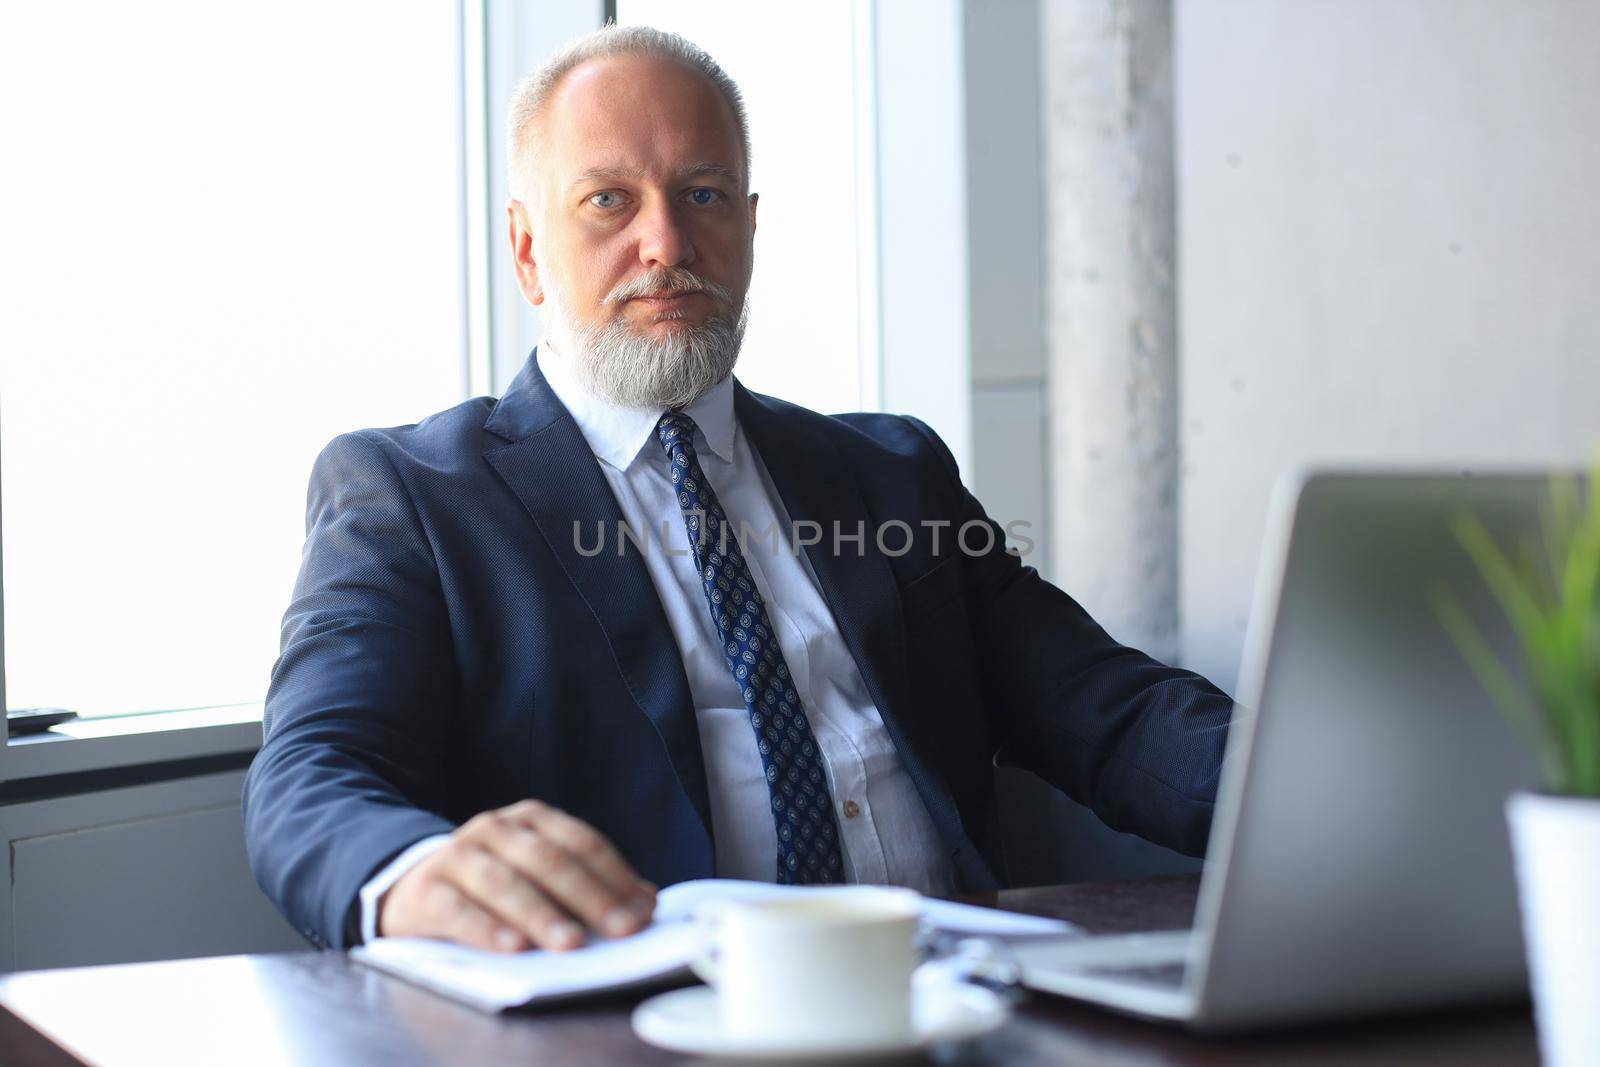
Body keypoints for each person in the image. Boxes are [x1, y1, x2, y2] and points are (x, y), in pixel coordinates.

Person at [242, 25, 1233, 955]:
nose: (666, 243)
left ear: (751, 228)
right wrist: (412, 873)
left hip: (954, 1002)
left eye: (704, 194)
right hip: (648, 1025)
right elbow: (309, 780)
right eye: (608, 200)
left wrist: (1319, 783)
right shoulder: (412, 495)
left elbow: (1113, 713)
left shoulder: (892, 475)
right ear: (528, 248)